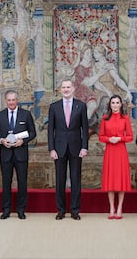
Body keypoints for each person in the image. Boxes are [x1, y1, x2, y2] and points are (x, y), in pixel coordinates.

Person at [0, 90, 36, 220]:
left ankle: (21, 210)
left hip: (21, 154)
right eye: (9, 100)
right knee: (6, 183)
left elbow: (32, 133)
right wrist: (1, 140)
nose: (11, 102)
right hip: (5, 155)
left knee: (22, 183)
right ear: (6, 101)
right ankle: (6, 210)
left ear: (17, 100)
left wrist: (23, 141)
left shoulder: (26, 114)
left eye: (13, 100)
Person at [48, 78, 89, 220]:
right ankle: (60, 210)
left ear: (73, 89)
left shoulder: (81, 106)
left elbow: (85, 128)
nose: (66, 89)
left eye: (68, 87)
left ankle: (75, 210)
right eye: (63, 87)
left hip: (76, 148)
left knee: (76, 180)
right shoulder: (54, 107)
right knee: (59, 180)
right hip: (58, 149)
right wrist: (51, 149)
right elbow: (50, 130)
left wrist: (84, 147)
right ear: (60, 89)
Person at [99, 95, 133, 220]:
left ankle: (119, 208)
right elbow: (101, 136)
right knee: (110, 180)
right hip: (110, 151)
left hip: (121, 151)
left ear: (121, 104)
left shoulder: (125, 118)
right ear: (110, 104)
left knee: (120, 180)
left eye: (117, 102)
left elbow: (130, 136)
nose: (115, 105)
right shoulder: (105, 118)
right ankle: (111, 208)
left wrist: (120, 138)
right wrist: (109, 139)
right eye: (112, 102)